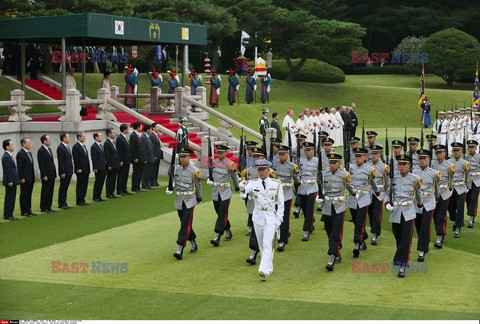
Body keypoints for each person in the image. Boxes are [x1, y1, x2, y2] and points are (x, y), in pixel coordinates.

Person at [240, 158, 284, 281]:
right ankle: (268, 267)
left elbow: (281, 204)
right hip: (258, 216)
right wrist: (242, 187)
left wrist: (278, 220)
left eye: (263, 170)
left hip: (270, 216)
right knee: (261, 244)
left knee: (267, 243)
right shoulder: (253, 183)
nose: (261, 172)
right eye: (259, 170)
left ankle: (263, 269)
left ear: (268, 170)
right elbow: (244, 193)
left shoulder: (276, 183)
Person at [385, 154, 423, 278]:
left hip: (408, 211)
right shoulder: (393, 178)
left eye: (404, 164)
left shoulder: (415, 178)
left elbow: (417, 193)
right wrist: (386, 203)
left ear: (409, 165)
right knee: (398, 237)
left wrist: (420, 203)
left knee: (406, 238)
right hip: (396, 210)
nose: (401, 166)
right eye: (400, 164)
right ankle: (404, 256)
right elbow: (387, 193)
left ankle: (403, 264)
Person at [321, 153, 356, 271]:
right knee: (329, 230)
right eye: (330, 162)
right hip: (327, 206)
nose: (332, 165)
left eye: (334, 163)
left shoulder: (344, 175)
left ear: (339, 163)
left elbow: (350, 187)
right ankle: (337, 250)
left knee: (336, 232)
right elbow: (321, 187)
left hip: (339, 206)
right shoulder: (323, 174)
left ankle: (332, 257)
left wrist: (355, 194)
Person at [166, 148, 202, 260]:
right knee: (185, 223)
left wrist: (199, 197)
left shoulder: (194, 170)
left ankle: (180, 247)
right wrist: (170, 186)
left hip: (190, 200)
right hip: (179, 199)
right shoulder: (176, 169)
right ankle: (193, 242)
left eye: (184, 157)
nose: (182, 159)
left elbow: (198, 185)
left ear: (189, 157)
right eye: (180, 157)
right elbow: (172, 180)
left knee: (184, 224)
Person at [348, 147, 379, 257]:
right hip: (352, 197)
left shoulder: (370, 169)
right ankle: (363, 236)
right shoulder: (350, 167)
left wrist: (377, 192)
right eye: (356, 156)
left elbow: (372, 183)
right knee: (356, 221)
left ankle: (357, 243)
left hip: (363, 197)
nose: (358, 158)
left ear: (365, 157)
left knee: (360, 221)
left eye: (360, 156)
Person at [207, 144, 240, 246]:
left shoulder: (230, 163)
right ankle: (228, 230)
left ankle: (217, 235)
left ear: (225, 153)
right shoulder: (214, 162)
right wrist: (210, 178)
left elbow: (234, 176)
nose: (219, 154)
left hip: (225, 192)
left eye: (221, 153)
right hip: (216, 191)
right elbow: (211, 174)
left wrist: (237, 187)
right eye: (218, 152)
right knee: (220, 213)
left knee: (222, 214)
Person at [413, 149, 439, 262]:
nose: (422, 160)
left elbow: (436, 187)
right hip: (416, 203)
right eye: (420, 158)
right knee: (418, 226)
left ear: (428, 159)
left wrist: (437, 198)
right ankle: (425, 242)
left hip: (428, 202)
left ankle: (421, 251)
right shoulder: (413, 172)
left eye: (424, 158)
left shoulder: (434, 173)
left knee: (424, 226)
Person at [275, 145, 300, 252]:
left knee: (284, 218)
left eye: (283, 154)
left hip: (286, 194)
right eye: (279, 154)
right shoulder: (274, 165)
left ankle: (282, 240)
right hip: (276, 195)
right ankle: (284, 233)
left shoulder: (292, 166)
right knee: (276, 216)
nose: (281, 156)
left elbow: (297, 180)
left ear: (287, 155)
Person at [431, 144, 454, 248]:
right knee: (435, 215)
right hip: (434, 193)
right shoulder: (432, 165)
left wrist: (451, 190)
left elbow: (451, 179)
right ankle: (441, 232)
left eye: (440, 152)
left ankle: (440, 235)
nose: (438, 154)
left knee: (441, 214)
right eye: (437, 152)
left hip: (444, 192)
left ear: (445, 153)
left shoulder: (449, 166)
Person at [367, 144, 389, 245]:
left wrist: (385, 195)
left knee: (376, 213)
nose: (374, 156)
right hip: (368, 192)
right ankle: (373, 228)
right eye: (372, 154)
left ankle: (375, 233)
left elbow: (387, 182)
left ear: (379, 154)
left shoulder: (384, 167)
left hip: (379, 193)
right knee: (370, 212)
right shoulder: (366, 165)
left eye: (376, 154)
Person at [297, 141, 318, 241]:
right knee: (305, 208)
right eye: (305, 150)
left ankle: (307, 230)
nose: (307, 152)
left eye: (309, 150)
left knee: (309, 208)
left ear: (313, 150)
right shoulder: (301, 160)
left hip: (312, 187)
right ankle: (311, 222)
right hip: (302, 187)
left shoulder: (317, 161)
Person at [448, 142, 469, 238]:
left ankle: (458, 228)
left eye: (458, 150)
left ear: (461, 151)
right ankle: (455, 219)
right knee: (450, 208)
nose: (456, 152)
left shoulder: (465, 163)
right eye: (454, 151)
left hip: (461, 188)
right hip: (451, 188)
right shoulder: (448, 162)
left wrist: (467, 187)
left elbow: (467, 176)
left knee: (460, 208)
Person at [16, 137, 35, 217]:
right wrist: (21, 178)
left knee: (29, 194)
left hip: (30, 177)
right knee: (24, 194)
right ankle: (24, 211)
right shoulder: (20, 154)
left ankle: (28, 209)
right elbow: (20, 167)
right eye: (28, 143)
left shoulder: (29, 153)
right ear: (23, 144)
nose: (30, 144)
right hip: (25, 178)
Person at [37, 134, 56, 213]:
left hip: (51, 173)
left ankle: (48, 206)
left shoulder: (49, 149)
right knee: (45, 190)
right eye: (48, 139)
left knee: (51, 190)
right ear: (44, 141)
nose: (50, 141)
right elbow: (41, 164)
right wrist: (44, 175)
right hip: (46, 174)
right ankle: (43, 207)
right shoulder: (41, 150)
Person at [2, 139, 19, 221]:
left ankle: (10, 214)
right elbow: (7, 170)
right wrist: (9, 181)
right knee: (9, 198)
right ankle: (7, 214)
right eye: (11, 145)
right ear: (7, 146)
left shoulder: (9, 156)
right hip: (10, 181)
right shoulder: (5, 157)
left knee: (12, 198)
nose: (13, 146)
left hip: (13, 180)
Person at [72, 132, 90, 206]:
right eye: (83, 136)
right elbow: (76, 159)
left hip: (86, 169)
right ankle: (79, 200)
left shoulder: (84, 146)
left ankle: (83, 199)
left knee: (85, 184)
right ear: (79, 137)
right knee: (80, 184)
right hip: (80, 169)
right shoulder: (76, 146)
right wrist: (78, 168)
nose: (85, 137)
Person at [57, 133, 73, 210]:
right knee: (63, 187)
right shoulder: (60, 148)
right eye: (68, 137)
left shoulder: (66, 147)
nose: (69, 138)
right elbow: (61, 161)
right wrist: (62, 172)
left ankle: (64, 202)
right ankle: (61, 203)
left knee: (65, 187)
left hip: (69, 170)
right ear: (64, 138)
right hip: (65, 171)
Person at [466, 140, 480, 228]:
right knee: (468, 198)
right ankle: (471, 214)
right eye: (469, 147)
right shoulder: (465, 157)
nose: (471, 149)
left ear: (476, 148)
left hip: (477, 180)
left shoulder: (479, 157)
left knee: (474, 198)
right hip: (468, 180)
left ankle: (471, 217)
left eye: (472, 147)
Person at [116, 124, 132, 196]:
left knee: (125, 175)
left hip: (127, 160)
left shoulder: (126, 138)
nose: (128, 129)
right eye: (128, 128)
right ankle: (119, 190)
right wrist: (121, 160)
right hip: (123, 160)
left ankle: (124, 189)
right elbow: (119, 150)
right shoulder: (119, 138)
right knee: (121, 175)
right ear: (124, 130)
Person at [91, 132, 107, 202]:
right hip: (98, 167)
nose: (101, 137)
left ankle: (99, 195)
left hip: (103, 166)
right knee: (98, 182)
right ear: (96, 137)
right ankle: (95, 196)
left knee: (101, 182)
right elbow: (94, 158)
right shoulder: (94, 146)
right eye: (100, 136)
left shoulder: (101, 146)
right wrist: (95, 168)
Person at [104, 128, 120, 199]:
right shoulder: (107, 143)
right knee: (110, 179)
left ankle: (112, 192)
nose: (115, 134)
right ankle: (108, 193)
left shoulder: (114, 142)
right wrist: (109, 165)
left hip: (115, 163)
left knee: (114, 179)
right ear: (109, 134)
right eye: (113, 132)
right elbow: (107, 155)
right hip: (111, 164)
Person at [130, 121, 145, 193]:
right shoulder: (133, 135)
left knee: (140, 172)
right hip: (136, 158)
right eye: (141, 126)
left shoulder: (138, 135)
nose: (142, 127)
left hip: (141, 157)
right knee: (136, 172)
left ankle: (138, 186)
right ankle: (134, 187)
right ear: (138, 127)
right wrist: (135, 157)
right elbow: (132, 148)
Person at [141, 124, 155, 190]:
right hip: (147, 158)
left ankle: (147, 183)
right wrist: (145, 158)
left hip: (150, 157)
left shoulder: (147, 137)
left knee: (149, 172)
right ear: (147, 130)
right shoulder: (143, 137)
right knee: (145, 172)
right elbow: (144, 149)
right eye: (150, 129)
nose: (151, 131)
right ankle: (144, 184)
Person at [150, 123, 163, 187]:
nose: (158, 128)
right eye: (157, 127)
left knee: (156, 168)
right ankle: (152, 181)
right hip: (155, 155)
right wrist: (154, 155)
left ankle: (155, 181)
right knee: (153, 169)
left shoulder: (156, 135)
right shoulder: (152, 136)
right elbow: (152, 147)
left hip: (158, 154)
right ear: (153, 128)